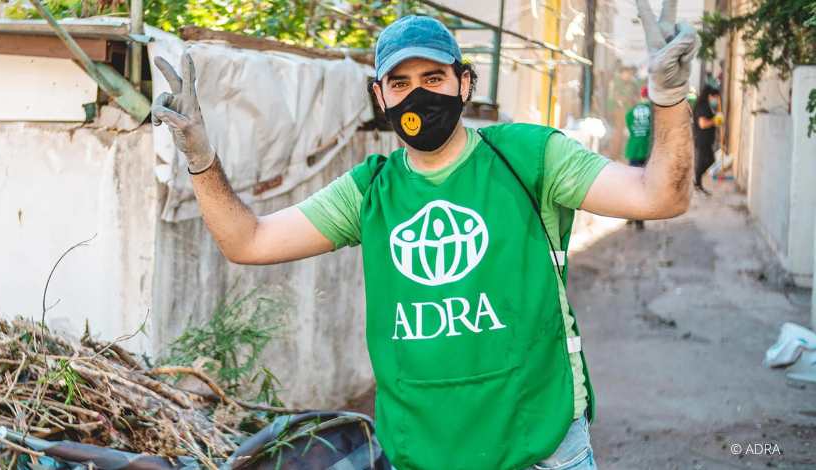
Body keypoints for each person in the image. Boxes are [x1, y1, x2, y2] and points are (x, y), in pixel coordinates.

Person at [150, 1, 698, 467]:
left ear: (465, 82)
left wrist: (669, 97)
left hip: (543, 449)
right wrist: (202, 158)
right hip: (424, 456)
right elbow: (247, 242)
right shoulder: (369, 191)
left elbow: (661, 196)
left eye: (433, 79)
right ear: (381, 96)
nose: (418, 97)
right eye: (400, 83)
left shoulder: (530, 158)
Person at [625, 86, 653, 229]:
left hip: (633, 149)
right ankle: (639, 220)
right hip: (647, 151)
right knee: (644, 185)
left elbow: (628, 125)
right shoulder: (654, 111)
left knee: (633, 183)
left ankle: (631, 214)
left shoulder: (632, 111)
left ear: (641, 96)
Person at [692, 86, 721, 196]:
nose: (716, 100)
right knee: (703, 163)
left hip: (706, 140)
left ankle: (698, 184)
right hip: (703, 139)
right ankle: (697, 185)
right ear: (710, 95)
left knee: (710, 160)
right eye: (715, 97)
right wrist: (715, 120)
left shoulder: (704, 106)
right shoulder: (703, 107)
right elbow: (703, 124)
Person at [608, 65, 640, 159]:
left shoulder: (629, 83)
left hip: (626, 109)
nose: (628, 75)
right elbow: (617, 96)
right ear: (622, 73)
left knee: (622, 132)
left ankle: (620, 153)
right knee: (619, 132)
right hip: (620, 109)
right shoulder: (618, 82)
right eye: (627, 73)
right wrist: (626, 99)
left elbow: (636, 92)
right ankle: (615, 153)